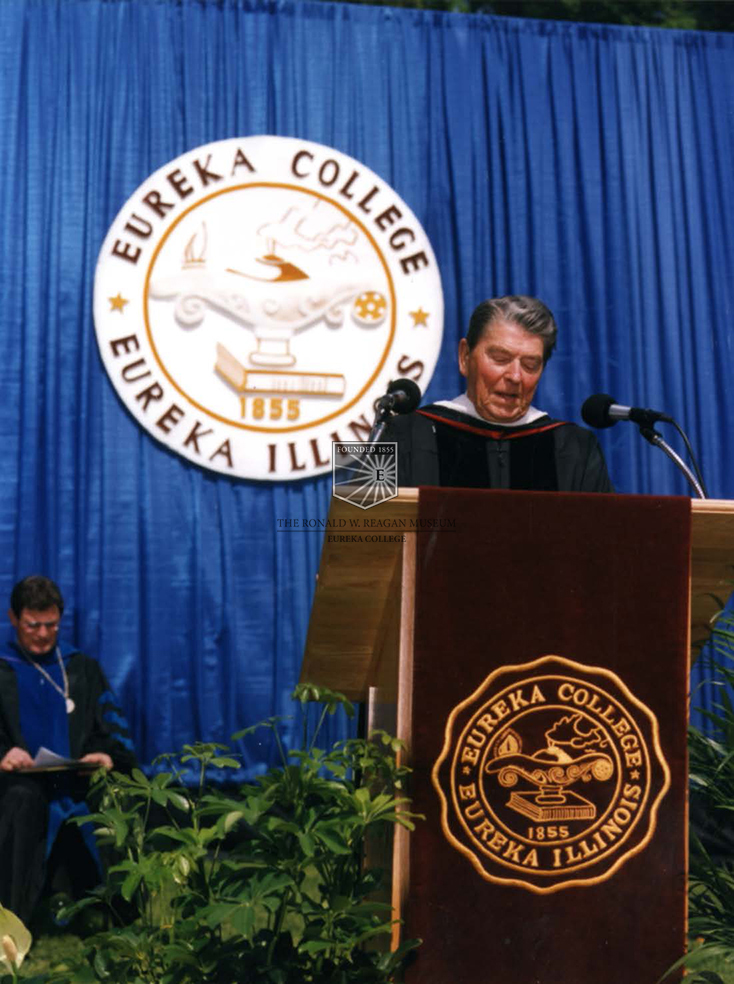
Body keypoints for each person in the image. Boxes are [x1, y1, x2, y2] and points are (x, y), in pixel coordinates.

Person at [0, 575, 135, 925]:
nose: (43, 634)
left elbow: (112, 731)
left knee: (109, 794)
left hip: (76, 781)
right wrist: (3, 755)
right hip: (19, 785)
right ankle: (11, 925)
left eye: (52, 625)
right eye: (33, 625)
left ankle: (123, 917)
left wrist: (104, 755)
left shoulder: (82, 669)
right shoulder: (1, 670)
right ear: (13, 618)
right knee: (22, 799)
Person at [385, 295, 612, 491]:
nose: (515, 376)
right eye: (500, 359)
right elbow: (370, 521)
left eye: (530, 365)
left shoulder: (574, 449)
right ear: (465, 357)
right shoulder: (403, 436)